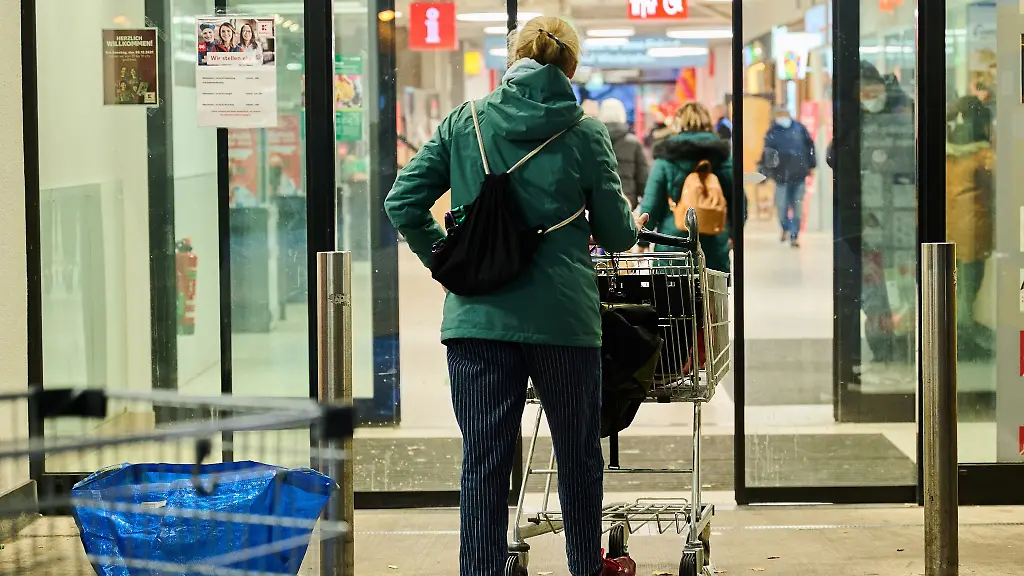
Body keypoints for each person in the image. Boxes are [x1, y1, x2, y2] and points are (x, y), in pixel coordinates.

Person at [384, 15, 643, 576]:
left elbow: (402, 202)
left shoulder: (465, 121)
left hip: (478, 318)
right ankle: (585, 566)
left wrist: (448, 264)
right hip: (563, 320)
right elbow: (619, 235)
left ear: (513, 59)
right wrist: (622, 220)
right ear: (571, 67)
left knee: (484, 459)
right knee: (577, 455)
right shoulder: (586, 132)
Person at [640, 102, 739, 275]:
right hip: (714, 242)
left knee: (672, 292)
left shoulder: (665, 159)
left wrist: (642, 242)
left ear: (678, 123)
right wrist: (733, 234)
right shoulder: (723, 158)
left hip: (672, 245)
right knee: (711, 290)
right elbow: (739, 202)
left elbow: (651, 204)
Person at [946, 96, 994, 361]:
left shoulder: (944, 154)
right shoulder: (984, 156)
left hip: (948, 231)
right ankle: (964, 337)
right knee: (969, 287)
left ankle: (958, 333)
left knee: (954, 287)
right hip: (975, 232)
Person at [760, 107, 815, 247]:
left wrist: (812, 165)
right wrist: (766, 172)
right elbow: (768, 153)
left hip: (799, 174)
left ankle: (794, 235)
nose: (782, 117)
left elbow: (810, 147)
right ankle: (785, 227)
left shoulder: (800, 129)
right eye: (780, 115)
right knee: (782, 206)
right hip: (781, 176)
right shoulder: (773, 132)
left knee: (797, 207)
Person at [599, 98, 649, 209]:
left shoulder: (594, 141)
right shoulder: (633, 143)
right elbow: (643, 179)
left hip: (599, 202)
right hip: (628, 204)